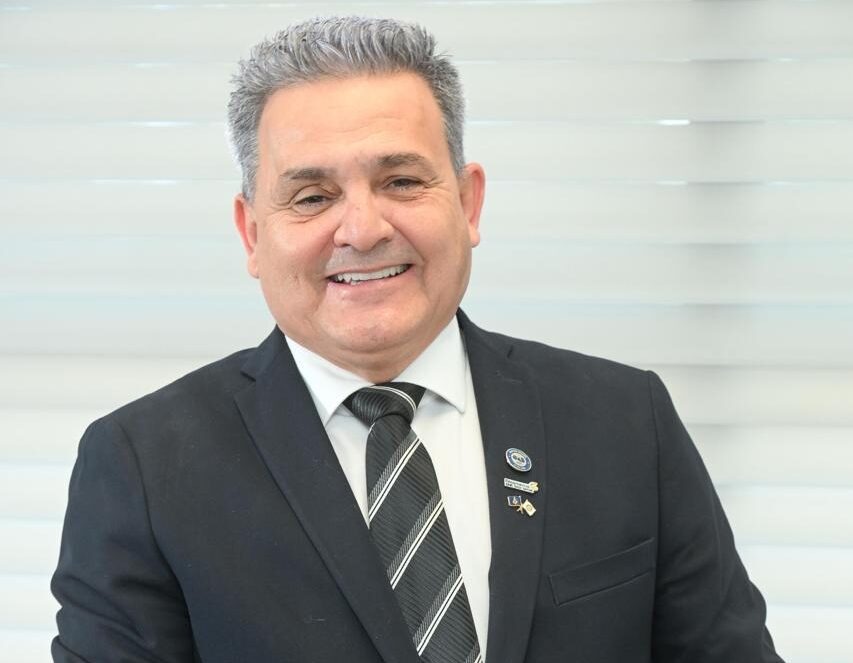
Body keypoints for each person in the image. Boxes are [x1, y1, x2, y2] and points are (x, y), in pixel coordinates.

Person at [51, 16, 784, 663]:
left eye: (401, 181)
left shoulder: (625, 420)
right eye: (312, 196)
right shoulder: (143, 468)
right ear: (252, 234)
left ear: (468, 203)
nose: (363, 229)